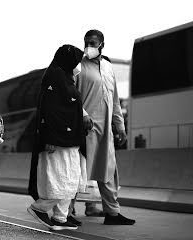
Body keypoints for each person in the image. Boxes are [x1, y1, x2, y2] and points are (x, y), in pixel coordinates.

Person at [72, 29, 135, 225]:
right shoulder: (78, 67)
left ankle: (112, 213)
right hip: (85, 129)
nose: (88, 46)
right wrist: (82, 115)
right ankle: (64, 212)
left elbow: (114, 100)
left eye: (92, 42)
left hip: (105, 130)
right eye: (86, 42)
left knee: (108, 171)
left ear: (102, 45)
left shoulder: (108, 68)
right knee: (78, 172)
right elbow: (71, 96)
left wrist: (120, 126)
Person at [27, 45, 85, 230]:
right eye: (76, 61)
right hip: (57, 139)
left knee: (70, 179)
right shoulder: (55, 76)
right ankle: (39, 208)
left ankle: (60, 218)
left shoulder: (67, 78)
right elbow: (50, 109)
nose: (78, 65)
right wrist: (49, 137)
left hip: (70, 139)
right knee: (60, 180)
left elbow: (70, 106)